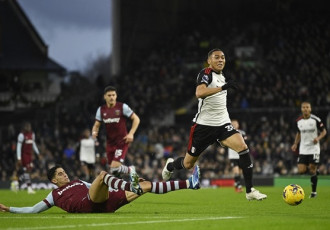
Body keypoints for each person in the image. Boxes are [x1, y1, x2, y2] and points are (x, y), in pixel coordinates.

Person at [162, 48, 267, 201]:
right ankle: (171, 165)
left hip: (223, 124)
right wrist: (223, 88)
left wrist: (223, 86)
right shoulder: (206, 73)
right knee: (188, 163)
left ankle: (250, 190)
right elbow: (199, 93)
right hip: (203, 127)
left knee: (243, 147)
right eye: (216, 57)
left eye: (223, 57)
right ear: (209, 60)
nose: (220, 60)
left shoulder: (222, 76)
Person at [0, 164, 200, 213]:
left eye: (64, 171)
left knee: (146, 185)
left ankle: (189, 184)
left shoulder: (78, 182)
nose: (65, 174)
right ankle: (132, 186)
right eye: (60, 174)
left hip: (104, 203)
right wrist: (9, 208)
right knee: (103, 175)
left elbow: (100, 188)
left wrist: (132, 184)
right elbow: (33, 210)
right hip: (89, 202)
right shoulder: (53, 195)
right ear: (53, 180)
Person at [92, 86, 140, 177]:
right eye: (109, 95)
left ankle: (131, 170)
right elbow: (96, 125)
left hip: (122, 141)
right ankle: (120, 189)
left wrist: (131, 133)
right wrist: (94, 133)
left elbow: (136, 119)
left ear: (116, 96)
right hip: (110, 143)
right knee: (114, 171)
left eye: (113, 95)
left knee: (114, 167)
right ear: (104, 97)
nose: (111, 97)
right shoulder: (101, 110)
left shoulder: (122, 107)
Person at [291, 101, 327, 198]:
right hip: (303, 149)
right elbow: (298, 133)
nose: (305, 109)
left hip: (314, 148)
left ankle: (313, 193)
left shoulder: (316, 120)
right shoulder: (298, 121)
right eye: (304, 107)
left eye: (307, 107)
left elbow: (324, 132)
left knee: (311, 169)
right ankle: (316, 170)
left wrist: (318, 138)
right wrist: (295, 143)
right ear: (301, 109)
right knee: (301, 170)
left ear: (310, 109)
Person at [16, 122, 40, 194]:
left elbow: (33, 144)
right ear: (24, 127)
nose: (29, 127)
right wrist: (19, 158)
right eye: (27, 126)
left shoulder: (32, 134)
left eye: (29, 126)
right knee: (27, 171)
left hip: (30, 155)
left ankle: (16, 183)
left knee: (28, 170)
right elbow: (18, 147)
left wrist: (37, 153)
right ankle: (29, 188)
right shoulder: (21, 135)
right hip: (24, 155)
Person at [227, 119, 246, 193]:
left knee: (240, 172)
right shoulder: (228, 133)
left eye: (236, 123)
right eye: (233, 123)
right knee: (236, 171)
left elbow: (245, 142)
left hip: (240, 155)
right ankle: (238, 186)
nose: (234, 124)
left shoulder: (242, 133)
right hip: (233, 156)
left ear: (238, 125)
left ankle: (237, 184)